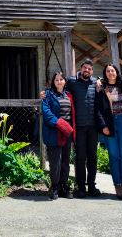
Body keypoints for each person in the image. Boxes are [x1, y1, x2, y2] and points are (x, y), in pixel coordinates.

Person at [39, 58, 101, 197]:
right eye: (85, 68)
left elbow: (104, 80)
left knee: (80, 158)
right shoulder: (64, 86)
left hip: (83, 128)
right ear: (80, 69)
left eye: (90, 69)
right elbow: (47, 110)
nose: (87, 70)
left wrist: (100, 80)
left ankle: (86, 186)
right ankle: (67, 187)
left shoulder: (75, 90)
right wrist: (44, 93)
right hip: (69, 128)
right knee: (70, 158)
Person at [95, 63, 122, 199]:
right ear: (105, 74)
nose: (111, 73)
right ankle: (117, 185)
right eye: (108, 71)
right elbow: (98, 109)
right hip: (110, 123)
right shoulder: (102, 87)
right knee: (114, 155)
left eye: (113, 71)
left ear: (117, 72)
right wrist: (103, 126)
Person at [40, 70, 75, 200]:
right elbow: (47, 113)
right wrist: (60, 123)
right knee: (55, 160)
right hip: (55, 131)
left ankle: (63, 186)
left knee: (66, 160)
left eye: (61, 79)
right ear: (53, 82)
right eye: (56, 80)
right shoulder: (48, 95)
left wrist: (68, 128)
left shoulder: (69, 95)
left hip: (67, 132)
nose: (59, 81)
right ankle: (54, 187)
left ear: (65, 81)